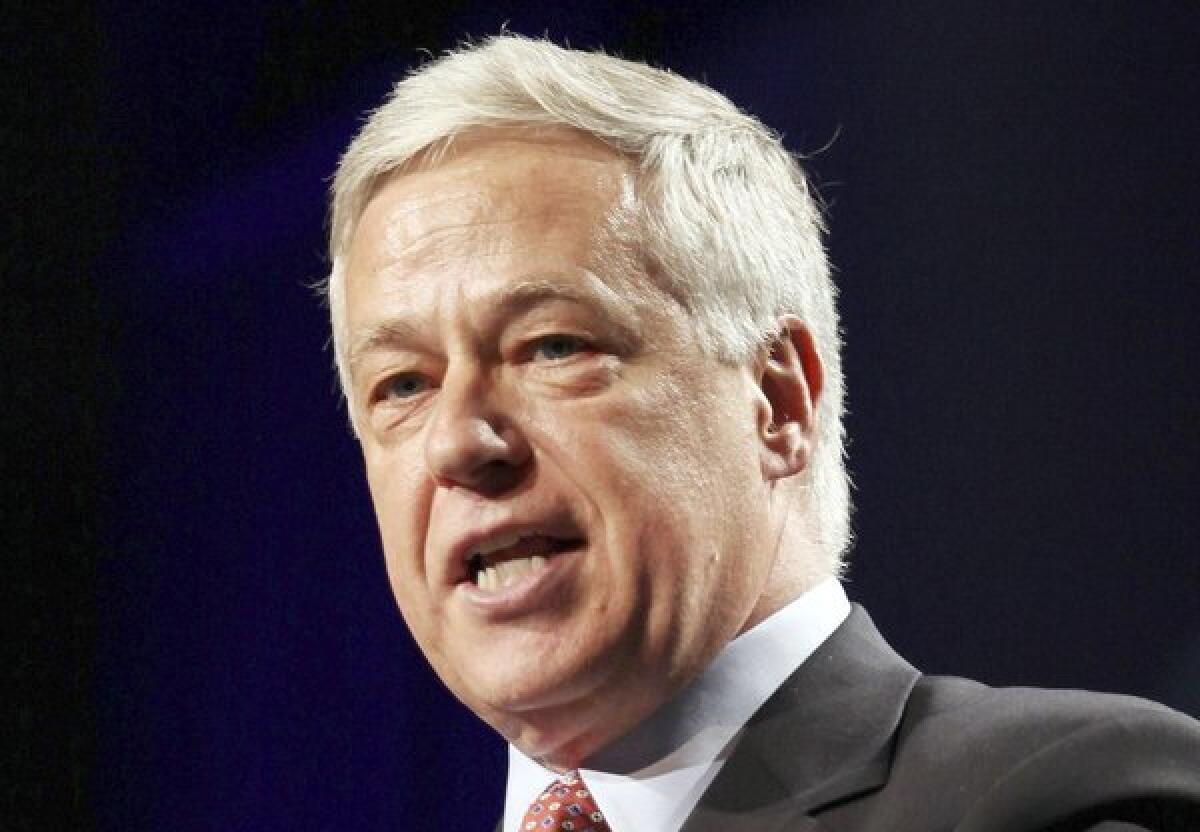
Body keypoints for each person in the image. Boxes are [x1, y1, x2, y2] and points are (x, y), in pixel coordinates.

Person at [322, 34, 1200, 832]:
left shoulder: (1055, 802)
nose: (458, 442)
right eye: (403, 385)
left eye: (554, 346)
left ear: (778, 402)